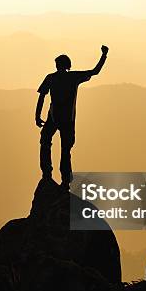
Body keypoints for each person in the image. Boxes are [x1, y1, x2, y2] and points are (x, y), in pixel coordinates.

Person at [35, 45, 109, 189]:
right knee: (65, 149)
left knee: (46, 141)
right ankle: (65, 180)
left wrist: (37, 116)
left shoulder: (51, 78)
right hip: (67, 119)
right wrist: (104, 55)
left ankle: (47, 174)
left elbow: (42, 96)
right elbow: (95, 71)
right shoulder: (73, 77)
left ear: (57, 65)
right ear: (68, 65)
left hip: (53, 116)